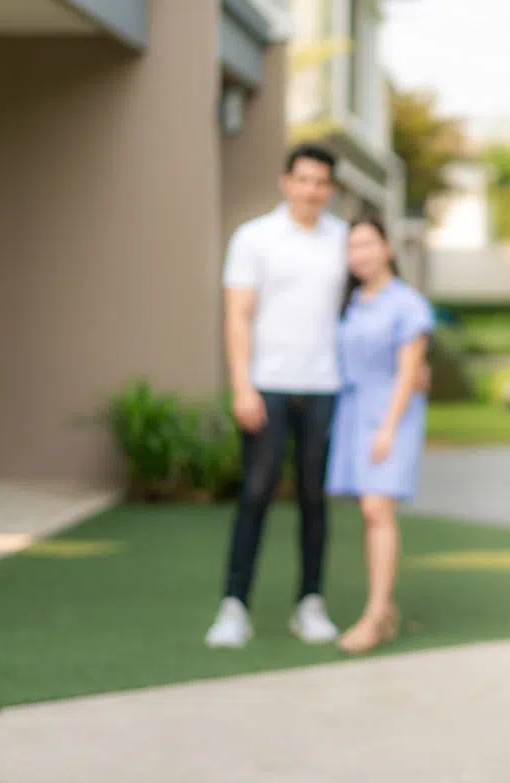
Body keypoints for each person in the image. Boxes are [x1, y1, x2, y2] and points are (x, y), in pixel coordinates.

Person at [205, 143, 348, 648]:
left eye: (321, 182)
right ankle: (233, 606)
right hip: (266, 386)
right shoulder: (254, 238)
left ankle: (310, 603)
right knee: (256, 494)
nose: (311, 190)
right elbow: (237, 316)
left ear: (331, 189)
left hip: (325, 386)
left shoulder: (343, 240)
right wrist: (242, 385)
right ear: (285, 181)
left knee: (314, 499)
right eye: (303, 179)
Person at [324, 215, 435, 654]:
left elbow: (410, 372)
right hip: (353, 413)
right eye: (353, 248)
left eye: (368, 244)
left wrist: (388, 428)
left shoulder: (407, 304)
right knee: (370, 513)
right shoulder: (350, 303)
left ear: (387, 247)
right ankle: (383, 609)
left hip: (393, 413)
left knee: (376, 510)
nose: (361, 255)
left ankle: (375, 615)